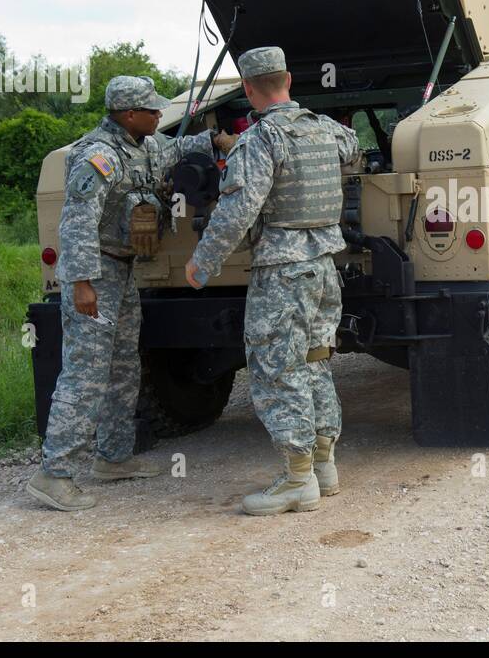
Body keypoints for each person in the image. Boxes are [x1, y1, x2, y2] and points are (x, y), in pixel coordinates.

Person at [27, 76, 238, 511]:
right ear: (127, 114)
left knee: (123, 365)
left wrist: (217, 139)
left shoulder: (143, 145)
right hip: (96, 273)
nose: (160, 116)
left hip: (123, 272)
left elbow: (179, 148)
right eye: (152, 111)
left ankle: (113, 457)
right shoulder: (98, 156)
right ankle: (55, 472)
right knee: (85, 374)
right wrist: (81, 282)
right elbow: (76, 223)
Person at [185, 47, 361, 516]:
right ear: (288, 78)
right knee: (316, 361)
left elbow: (238, 210)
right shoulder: (324, 130)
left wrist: (202, 264)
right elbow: (353, 148)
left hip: (282, 273)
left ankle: (296, 481)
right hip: (325, 266)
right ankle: (323, 467)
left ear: (247, 89)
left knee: (277, 369)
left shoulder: (261, 140)